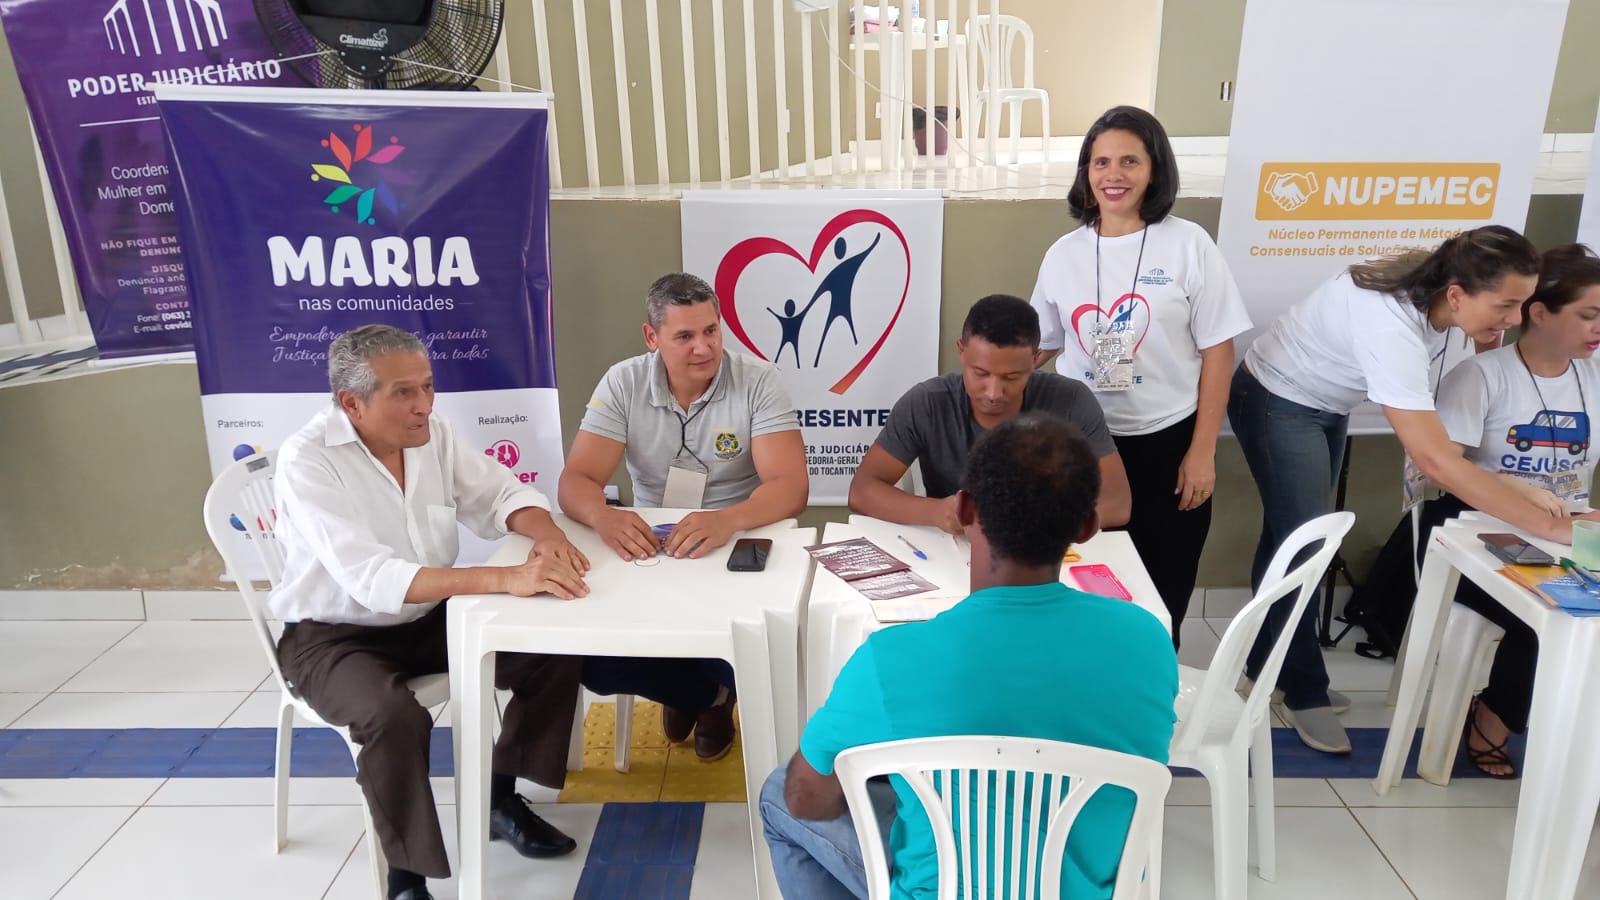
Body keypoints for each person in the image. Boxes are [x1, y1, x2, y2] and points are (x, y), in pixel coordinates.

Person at [762, 414, 1177, 900]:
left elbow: (807, 799)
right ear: (1087, 526)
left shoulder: (891, 659)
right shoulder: (1147, 640)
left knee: (778, 791)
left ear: (962, 509)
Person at [271, 325, 591, 900]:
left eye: (428, 386)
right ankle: (406, 877)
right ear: (352, 403)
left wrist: (546, 537)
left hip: (426, 618)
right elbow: (372, 579)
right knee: (391, 714)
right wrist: (506, 577)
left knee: (553, 640)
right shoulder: (307, 461)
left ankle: (497, 798)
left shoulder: (430, 435)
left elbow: (499, 495)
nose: (424, 405)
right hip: (333, 636)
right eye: (403, 393)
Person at [1229, 225, 1574, 755]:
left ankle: (1263, 666)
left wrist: (1487, 331)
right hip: (1278, 398)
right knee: (1308, 545)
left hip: (1326, 403)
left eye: (1522, 305)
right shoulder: (1388, 324)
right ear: (1457, 293)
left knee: (1289, 537)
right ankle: (1302, 690)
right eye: (1506, 306)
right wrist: (1549, 527)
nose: (1514, 319)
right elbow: (1435, 460)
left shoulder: (1435, 288)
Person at [558, 272, 809, 761]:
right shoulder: (623, 381)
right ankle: (703, 696)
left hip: (738, 537)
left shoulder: (759, 380)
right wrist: (607, 518)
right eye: (684, 336)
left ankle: (704, 689)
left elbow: (790, 487)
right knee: (590, 661)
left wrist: (726, 521)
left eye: (711, 331)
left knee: (771, 657)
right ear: (652, 338)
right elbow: (576, 481)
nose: (703, 348)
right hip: (654, 540)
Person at [1030, 106, 1252, 639]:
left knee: (1163, 593)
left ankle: (1154, 704)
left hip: (1169, 443)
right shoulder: (1064, 253)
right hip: (1083, 444)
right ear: (1086, 172)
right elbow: (1041, 345)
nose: (1114, 175)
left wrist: (1203, 452)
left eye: (1130, 160)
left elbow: (1219, 353)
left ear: (1155, 169)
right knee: (1081, 583)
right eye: (1100, 162)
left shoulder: (1188, 243)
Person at [1429, 243, 1600, 777]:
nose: (1599, 328)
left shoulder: (1593, 379)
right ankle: (1495, 716)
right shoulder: (1480, 378)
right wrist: (1511, 486)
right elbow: (1431, 472)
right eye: (1589, 315)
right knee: (1554, 614)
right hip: (1474, 536)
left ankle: (1578, 745)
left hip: (1566, 534)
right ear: (1539, 312)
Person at [848, 293, 1132, 533]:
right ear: (961, 352)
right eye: (981, 373)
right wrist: (938, 512)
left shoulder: (1070, 400)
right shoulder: (927, 403)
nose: (994, 392)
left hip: (1045, 548)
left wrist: (1035, 524)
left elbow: (1117, 503)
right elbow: (863, 490)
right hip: (951, 549)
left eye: (1012, 377)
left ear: (1035, 360)